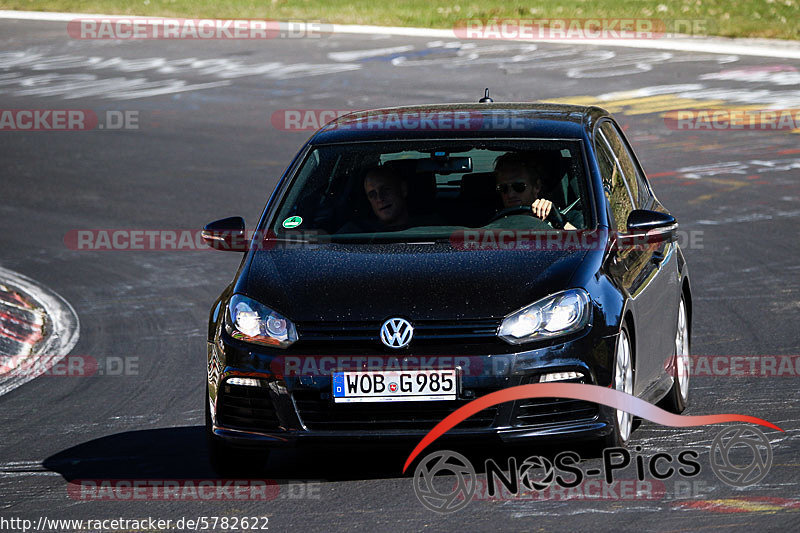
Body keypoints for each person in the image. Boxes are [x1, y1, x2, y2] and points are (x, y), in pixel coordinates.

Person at [336, 166, 439, 233]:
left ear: (403, 189)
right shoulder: (354, 233)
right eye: (372, 194)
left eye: (385, 190)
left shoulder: (434, 229)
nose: (380, 198)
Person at [493, 152, 577, 230]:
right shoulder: (492, 222)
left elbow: (583, 242)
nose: (510, 194)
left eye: (519, 187)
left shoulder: (564, 218)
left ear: (536, 186)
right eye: (503, 188)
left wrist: (558, 221)